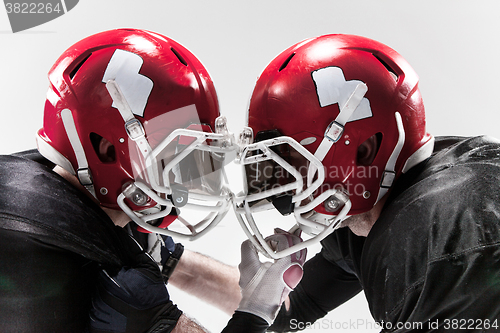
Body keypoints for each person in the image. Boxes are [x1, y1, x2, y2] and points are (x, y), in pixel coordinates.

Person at [0, 28, 304, 333]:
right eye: (177, 156)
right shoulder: (34, 256)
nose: (190, 175)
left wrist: (268, 294)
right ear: (106, 149)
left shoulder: (80, 199)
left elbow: (186, 272)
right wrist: (251, 315)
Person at [233, 34, 500, 332]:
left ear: (364, 150)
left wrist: (247, 319)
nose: (281, 187)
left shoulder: (437, 240)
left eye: (291, 161)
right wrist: (175, 262)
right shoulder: (378, 205)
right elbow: (291, 310)